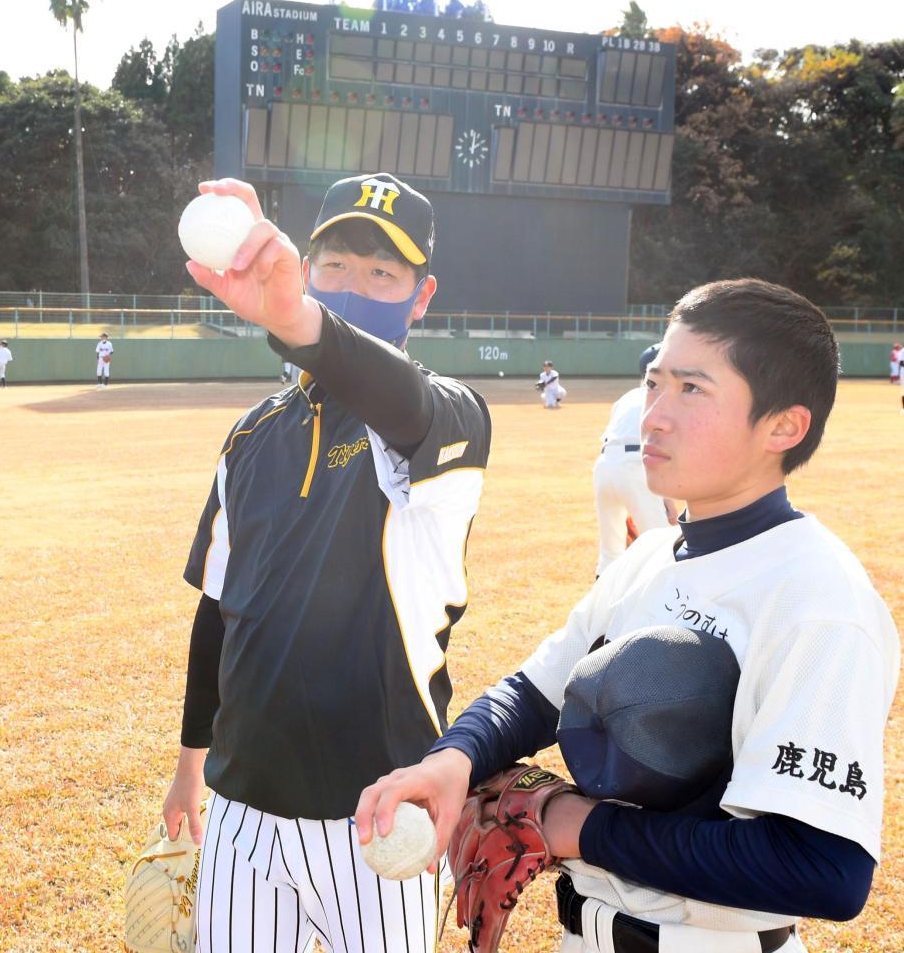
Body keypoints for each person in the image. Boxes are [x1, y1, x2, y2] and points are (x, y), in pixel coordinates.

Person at [356, 279, 899, 953]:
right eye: (653, 383)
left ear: (783, 426)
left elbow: (823, 869)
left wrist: (573, 826)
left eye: (691, 390)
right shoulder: (655, 554)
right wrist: (454, 759)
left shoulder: (819, 601)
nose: (653, 416)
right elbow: (531, 694)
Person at [163, 173, 491, 953]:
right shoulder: (249, 437)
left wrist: (295, 318)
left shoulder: (446, 417)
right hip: (242, 804)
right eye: (336, 265)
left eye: (383, 273)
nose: (356, 286)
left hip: (378, 812)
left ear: (421, 297)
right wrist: (188, 765)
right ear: (305, 268)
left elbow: (396, 396)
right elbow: (218, 609)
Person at [592, 344, 677, 576]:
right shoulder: (663, 398)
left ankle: (601, 604)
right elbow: (658, 446)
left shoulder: (626, 397)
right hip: (635, 466)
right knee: (660, 547)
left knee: (610, 551)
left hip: (603, 466)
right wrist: (665, 496)